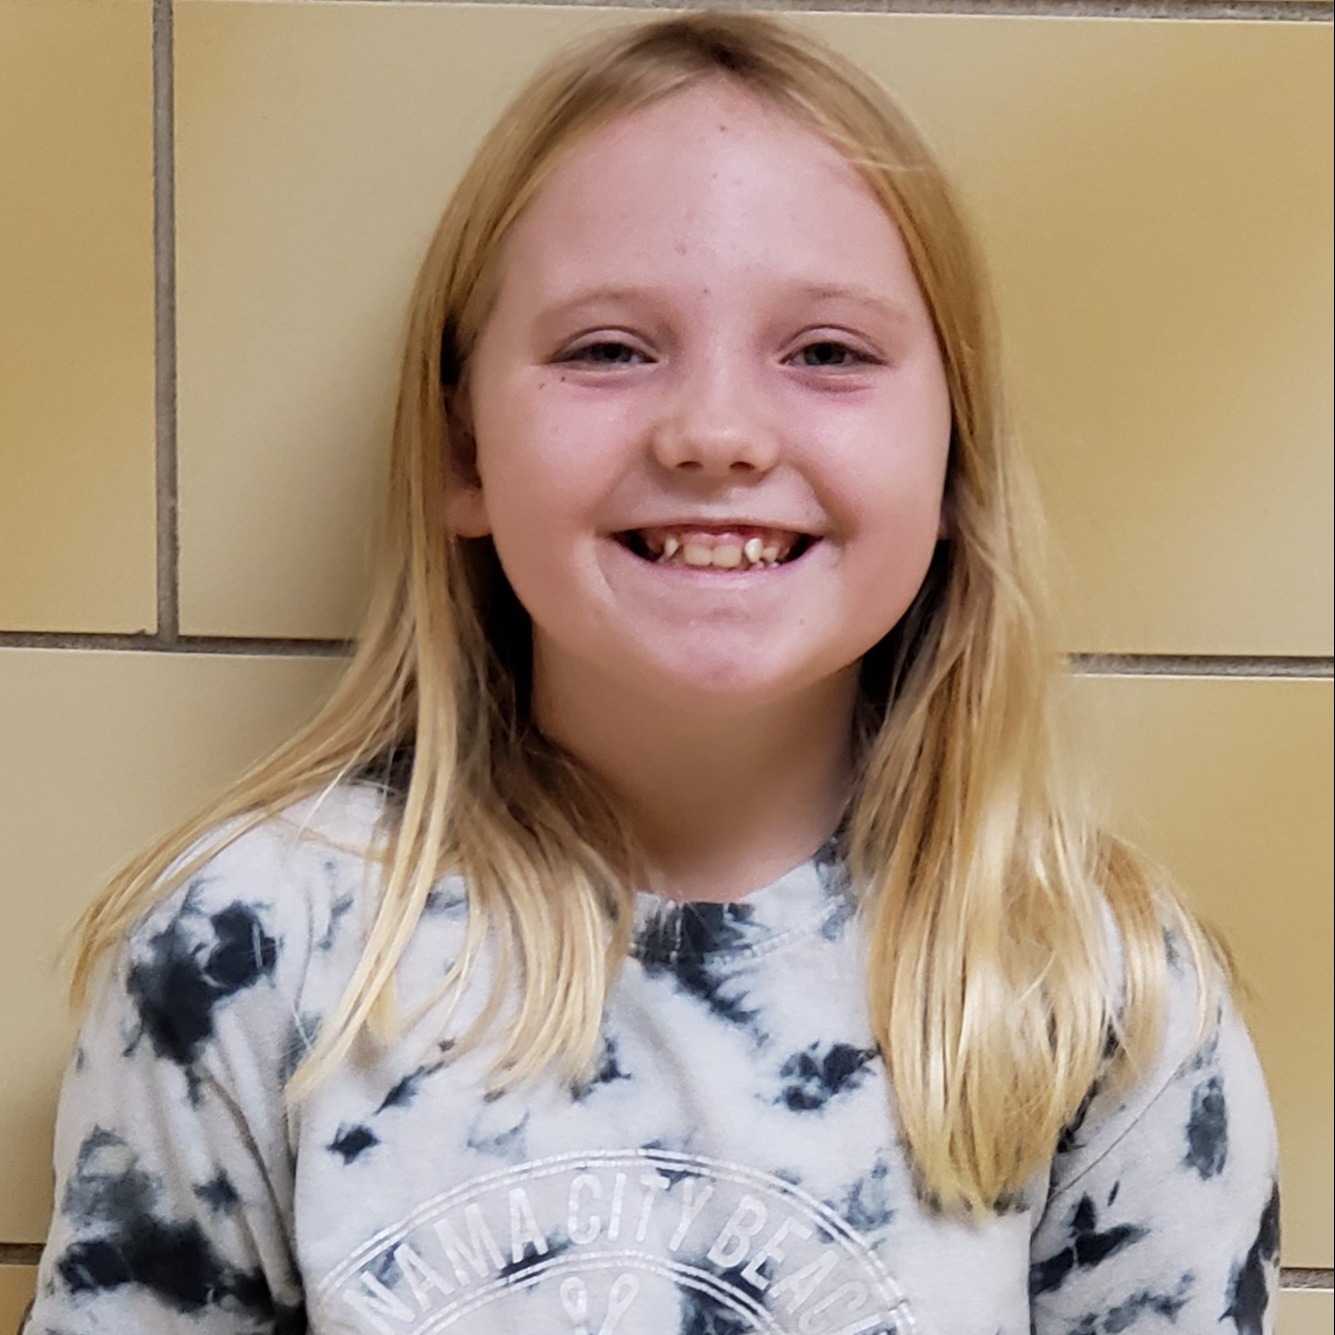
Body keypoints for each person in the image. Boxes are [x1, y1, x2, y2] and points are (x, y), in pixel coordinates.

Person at [25, 13, 1278, 1335]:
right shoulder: (248, 959)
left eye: (828, 353)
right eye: (609, 350)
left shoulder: (1096, 1000)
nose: (716, 434)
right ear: (463, 453)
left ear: (956, 459)